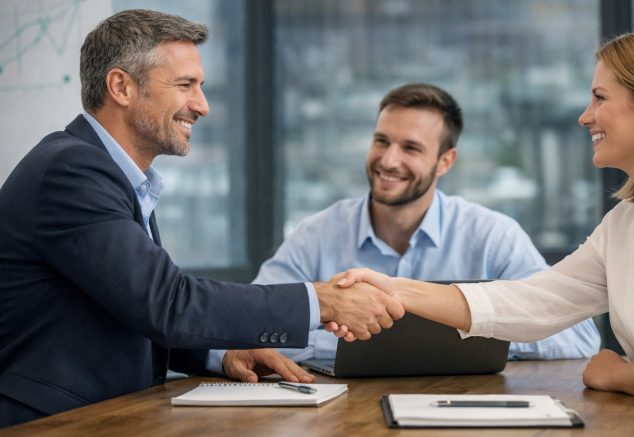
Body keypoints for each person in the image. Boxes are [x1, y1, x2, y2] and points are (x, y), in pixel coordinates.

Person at [330, 30, 634, 437]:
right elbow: (531, 304)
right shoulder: (625, 224)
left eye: (600, 98)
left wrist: (618, 373)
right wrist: (395, 289)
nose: (585, 116)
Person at [0, 10, 403, 428]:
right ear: (121, 86)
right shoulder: (73, 171)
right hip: (48, 424)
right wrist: (321, 302)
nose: (203, 106)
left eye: (201, 86)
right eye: (184, 85)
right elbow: (166, 303)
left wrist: (220, 354)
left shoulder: (106, 171)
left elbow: (124, 305)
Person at [215, 84, 599, 376]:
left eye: (411, 148)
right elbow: (242, 331)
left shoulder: (493, 237)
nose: (388, 159)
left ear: (445, 161)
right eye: (381, 141)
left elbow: (580, 338)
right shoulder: (316, 236)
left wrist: (476, 328)